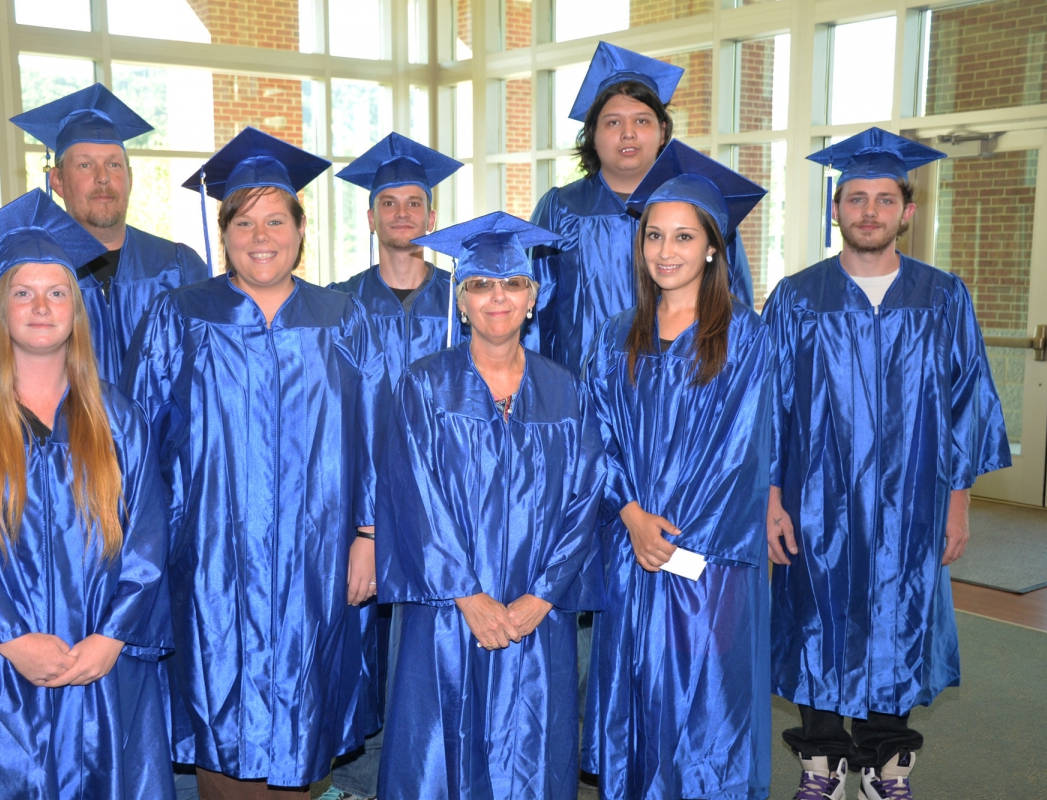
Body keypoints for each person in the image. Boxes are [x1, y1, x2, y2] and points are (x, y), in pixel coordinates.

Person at [122, 127, 391, 800]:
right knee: (220, 709)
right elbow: (137, 441)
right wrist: (146, 551)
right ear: (225, 232)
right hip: (210, 559)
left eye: (277, 219)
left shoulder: (344, 319)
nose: (261, 235)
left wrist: (370, 535)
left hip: (320, 557)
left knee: (310, 711)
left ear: (302, 230)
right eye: (244, 221)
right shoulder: (179, 316)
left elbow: (382, 438)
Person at [0, 189, 174, 799]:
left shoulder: (120, 420)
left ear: (77, 310)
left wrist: (112, 637)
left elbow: (148, 537)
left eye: (57, 293)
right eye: (22, 293)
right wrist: (13, 641)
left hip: (104, 663)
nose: (41, 307)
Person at [764, 128, 1011, 800]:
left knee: (897, 617)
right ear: (835, 210)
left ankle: (886, 762)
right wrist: (771, 499)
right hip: (817, 499)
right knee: (816, 615)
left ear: (907, 210)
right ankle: (822, 762)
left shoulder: (943, 296)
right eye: (855, 198)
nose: (868, 211)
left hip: (914, 499)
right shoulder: (796, 298)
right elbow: (767, 406)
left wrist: (958, 503)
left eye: (883, 199)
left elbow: (969, 403)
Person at [375, 211, 606, 800]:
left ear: (533, 296)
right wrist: (468, 594)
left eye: (511, 284)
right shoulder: (424, 386)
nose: (496, 298)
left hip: (536, 611)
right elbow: (413, 495)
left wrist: (542, 596)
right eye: (480, 285)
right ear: (461, 301)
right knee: (441, 748)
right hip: (448, 610)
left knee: (532, 749)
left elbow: (585, 501)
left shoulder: (566, 390)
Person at [582, 141, 773, 800]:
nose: (666, 250)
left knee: (705, 700)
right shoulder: (615, 336)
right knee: (638, 692)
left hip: (708, 561)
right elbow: (593, 439)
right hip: (630, 546)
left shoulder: (745, 337)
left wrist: (678, 545)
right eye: (654, 235)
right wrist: (631, 515)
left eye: (684, 237)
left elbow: (741, 452)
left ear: (713, 247)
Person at [321, 132, 464, 800]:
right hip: (358, 501)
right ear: (370, 217)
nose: (403, 213)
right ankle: (352, 775)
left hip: (445, 502)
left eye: (415, 202)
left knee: (430, 643)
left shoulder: (466, 302)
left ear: (432, 217)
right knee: (356, 641)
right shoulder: (336, 305)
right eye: (389, 203)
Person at [528, 41, 754, 378]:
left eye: (642, 121)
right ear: (591, 134)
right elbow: (534, 310)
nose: (628, 133)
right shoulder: (562, 208)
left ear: (663, 132)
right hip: (581, 392)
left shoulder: (699, 206)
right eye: (613, 122)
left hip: (685, 389)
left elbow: (732, 300)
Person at [11, 83, 209, 384]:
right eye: (85, 165)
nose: (103, 178)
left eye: (114, 165)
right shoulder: (31, 274)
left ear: (130, 178)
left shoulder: (179, 267)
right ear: (58, 181)